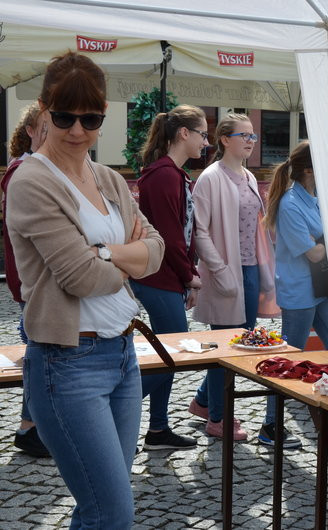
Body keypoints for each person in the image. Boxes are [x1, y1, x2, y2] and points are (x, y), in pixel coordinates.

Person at [5, 51, 164, 527]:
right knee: (110, 511)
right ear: (43, 110)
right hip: (67, 363)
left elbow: (157, 250)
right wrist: (126, 256)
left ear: (103, 115)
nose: (77, 130)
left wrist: (104, 253)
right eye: (64, 117)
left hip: (123, 355)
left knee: (101, 508)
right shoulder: (31, 180)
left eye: (90, 118)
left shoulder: (107, 176)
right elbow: (80, 277)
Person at [189, 113, 280, 441]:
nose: (251, 141)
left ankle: (203, 402)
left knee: (238, 344)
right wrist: (219, 270)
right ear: (225, 139)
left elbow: (256, 229)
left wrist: (264, 270)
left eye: (253, 136)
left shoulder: (249, 177)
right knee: (224, 348)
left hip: (250, 269)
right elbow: (199, 231)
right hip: (225, 271)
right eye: (245, 135)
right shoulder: (210, 178)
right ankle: (218, 417)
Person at [131, 104, 208, 451]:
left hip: (166, 277)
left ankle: (158, 430)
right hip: (157, 276)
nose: (205, 142)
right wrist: (190, 276)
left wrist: (185, 277)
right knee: (171, 355)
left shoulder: (172, 174)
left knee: (164, 353)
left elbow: (182, 234)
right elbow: (170, 237)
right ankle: (114, 410)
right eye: (202, 134)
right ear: (183, 133)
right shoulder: (164, 175)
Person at [257, 141, 328, 451]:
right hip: (300, 291)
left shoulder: (315, 198)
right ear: (310, 170)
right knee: (287, 361)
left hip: (322, 288)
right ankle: (270, 425)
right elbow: (314, 253)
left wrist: (325, 241)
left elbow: (321, 245)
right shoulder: (290, 204)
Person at [2, 104, 50, 458]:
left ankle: (32, 426)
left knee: (40, 354)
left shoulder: (29, 168)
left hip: (31, 280)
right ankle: (29, 427)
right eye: (45, 126)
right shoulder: (23, 171)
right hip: (32, 281)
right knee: (38, 355)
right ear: (31, 131)